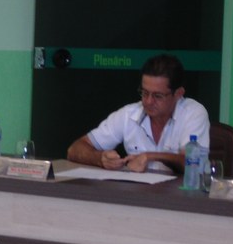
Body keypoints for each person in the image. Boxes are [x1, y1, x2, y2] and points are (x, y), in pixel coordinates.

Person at [67, 54, 210, 173]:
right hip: (139, 194)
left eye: (158, 96)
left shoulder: (193, 113)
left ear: (178, 94)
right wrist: (100, 158)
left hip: (183, 195)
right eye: (145, 93)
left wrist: (151, 156)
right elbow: (75, 149)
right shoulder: (129, 114)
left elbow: (194, 163)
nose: (148, 101)